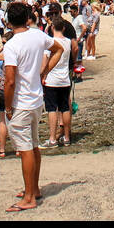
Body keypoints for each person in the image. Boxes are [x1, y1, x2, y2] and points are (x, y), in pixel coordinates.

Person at [2, 2, 63, 213]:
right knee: (34, 146)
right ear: (28, 17)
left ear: (8, 21)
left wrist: (7, 108)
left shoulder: (11, 45)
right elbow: (59, 49)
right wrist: (44, 71)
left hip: (21, 102)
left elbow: (10, 81)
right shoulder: (38, 35)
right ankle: (33, 189)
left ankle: (29, 197)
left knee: (25, 149)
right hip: (37, 100)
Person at [41, 18, 74, 148]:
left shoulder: (50, 42)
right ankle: (66, 136)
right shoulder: (67, 42)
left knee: (51, 109)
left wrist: (42, 74)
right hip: (64, 78)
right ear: (64, 28)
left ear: (52, 27)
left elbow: (45, 59)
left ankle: (52, 138)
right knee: (64, 107)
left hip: (52, 79)